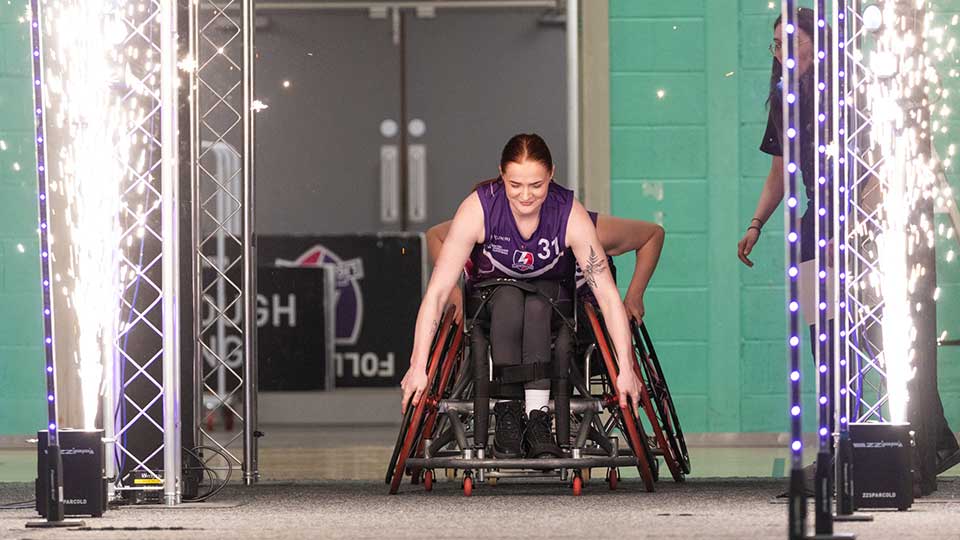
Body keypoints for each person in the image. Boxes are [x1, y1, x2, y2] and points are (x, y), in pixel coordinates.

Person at [740, 7, 960, 477]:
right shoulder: (784, 98)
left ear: (817, 43)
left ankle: (929, 437)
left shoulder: (849, 88)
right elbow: (781, 167)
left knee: (880, 334)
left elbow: (887, 158)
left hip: (863, 221)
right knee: (823, 335)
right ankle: (841, 441)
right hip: (815, 222)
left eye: (792, 42)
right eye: (777, 46)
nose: (784, 54)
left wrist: (862, 215)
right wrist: (757, 222)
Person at [399, 133, 644, 459]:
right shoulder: (478, 209)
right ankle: (507, 412)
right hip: (492, 306)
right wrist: (418, 365)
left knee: (538, 305)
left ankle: (537, 417)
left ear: (551, 175)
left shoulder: (569, 213)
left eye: (536, 185)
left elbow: (608, 297)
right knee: (510, 299)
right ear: (501, 174)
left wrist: (625, 369)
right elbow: (437, 292)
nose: (526, 195)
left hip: (551, 308)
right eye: (515, 185)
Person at [425, 213, 664, 325]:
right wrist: (454, 295)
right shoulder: (487, 219)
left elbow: (652, 235)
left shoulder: (578, 224)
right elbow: (436, 235)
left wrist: (634, 297)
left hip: (571, 314)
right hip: (496, 314)